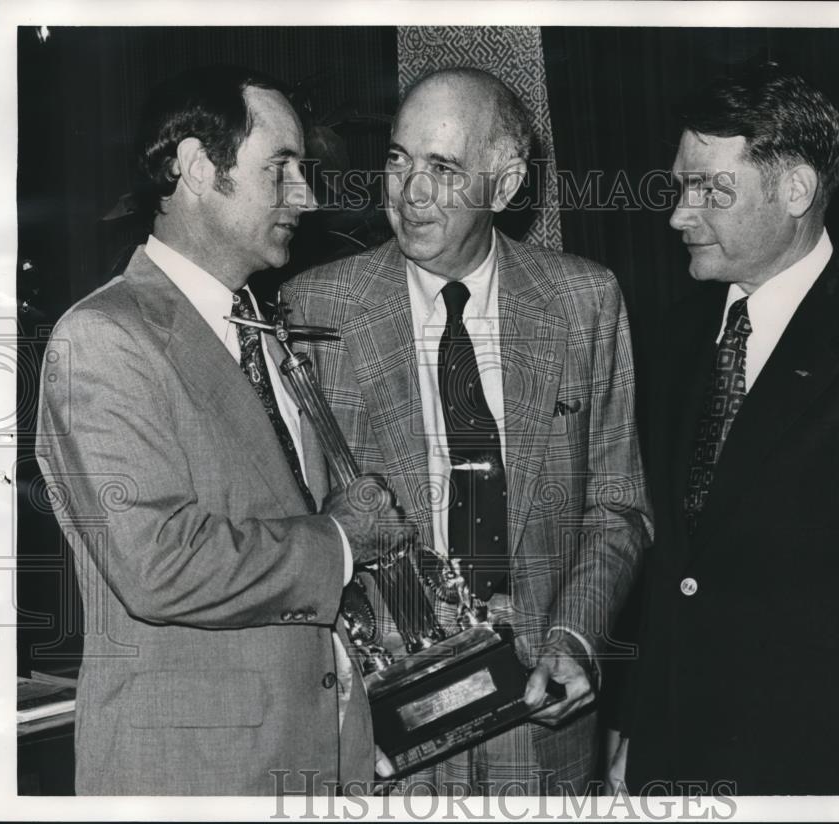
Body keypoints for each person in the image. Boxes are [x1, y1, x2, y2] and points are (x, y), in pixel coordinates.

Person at [35, 65, 411, 795]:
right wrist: (338, 540)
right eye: (280, 168)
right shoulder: (104, 338)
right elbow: (159, 566)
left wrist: (345, 733)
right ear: (198, 170)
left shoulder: (259, 331)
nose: (305, 194)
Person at [282, 67, 653, 795]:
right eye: (397, 160)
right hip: (383, 741)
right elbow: (297, 526)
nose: (410, 192)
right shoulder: (312, 309)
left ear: (506, 185)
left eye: (443, 168)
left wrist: (573, 640)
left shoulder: (585, 301)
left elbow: (618, 506)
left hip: (543, 722)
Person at [608, 61, 839, 795]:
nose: (680, 214)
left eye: (712, 190)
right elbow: (669, 569)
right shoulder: (673, 337)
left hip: (815, 775)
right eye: (682, 186)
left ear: (796, 190)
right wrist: (632, 731)